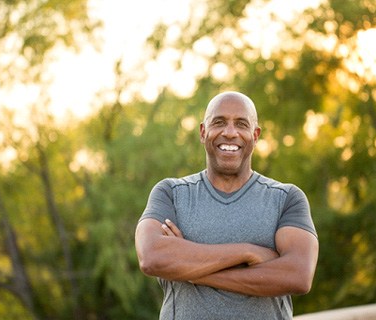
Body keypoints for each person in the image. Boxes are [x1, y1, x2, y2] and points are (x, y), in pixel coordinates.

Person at [135, 91, 319, 319]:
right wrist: (248, 251)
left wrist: (191, 270)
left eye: (241, 124)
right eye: (219, 122)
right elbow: (152, 257)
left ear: (255, 134)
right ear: (203, 132)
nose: (230, 132)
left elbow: (298, 276)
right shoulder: (171, 193)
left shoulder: (286, 198)